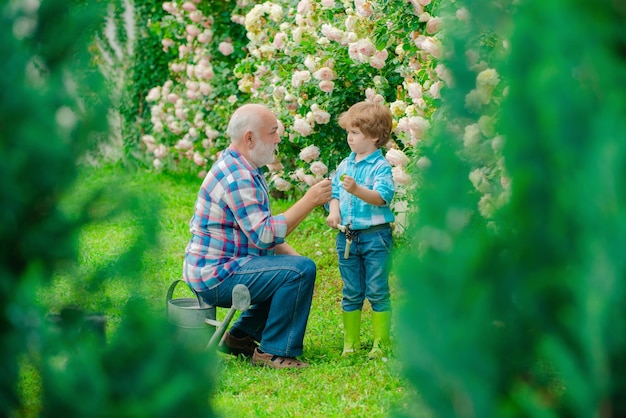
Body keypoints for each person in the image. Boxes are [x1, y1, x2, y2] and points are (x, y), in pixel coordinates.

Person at [183, 103, 332, 369]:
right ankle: (273, 352)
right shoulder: (238, 175)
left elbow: (259, 231)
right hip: (216, 277)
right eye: (273, 132)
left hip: (221, 268)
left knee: (297, 270)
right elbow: (264, 235)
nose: (278, 138)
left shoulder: (244, 166)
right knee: (297, 271)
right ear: (249, 138)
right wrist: (309, 201)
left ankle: (239, 337)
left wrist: (297, 264)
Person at [325, 101, 395, 360]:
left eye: (354, 133)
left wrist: (356, 190)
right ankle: (350, 343)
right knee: (351, 290)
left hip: (376, 236)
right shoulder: (345, 165)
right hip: (348, 238)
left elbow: (382, 197)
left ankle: (381, 343)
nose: (349, 138)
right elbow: (334, 193)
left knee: (377, 289)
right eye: (348, 132)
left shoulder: (380, 167)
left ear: (375, 136)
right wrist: (334, 212)